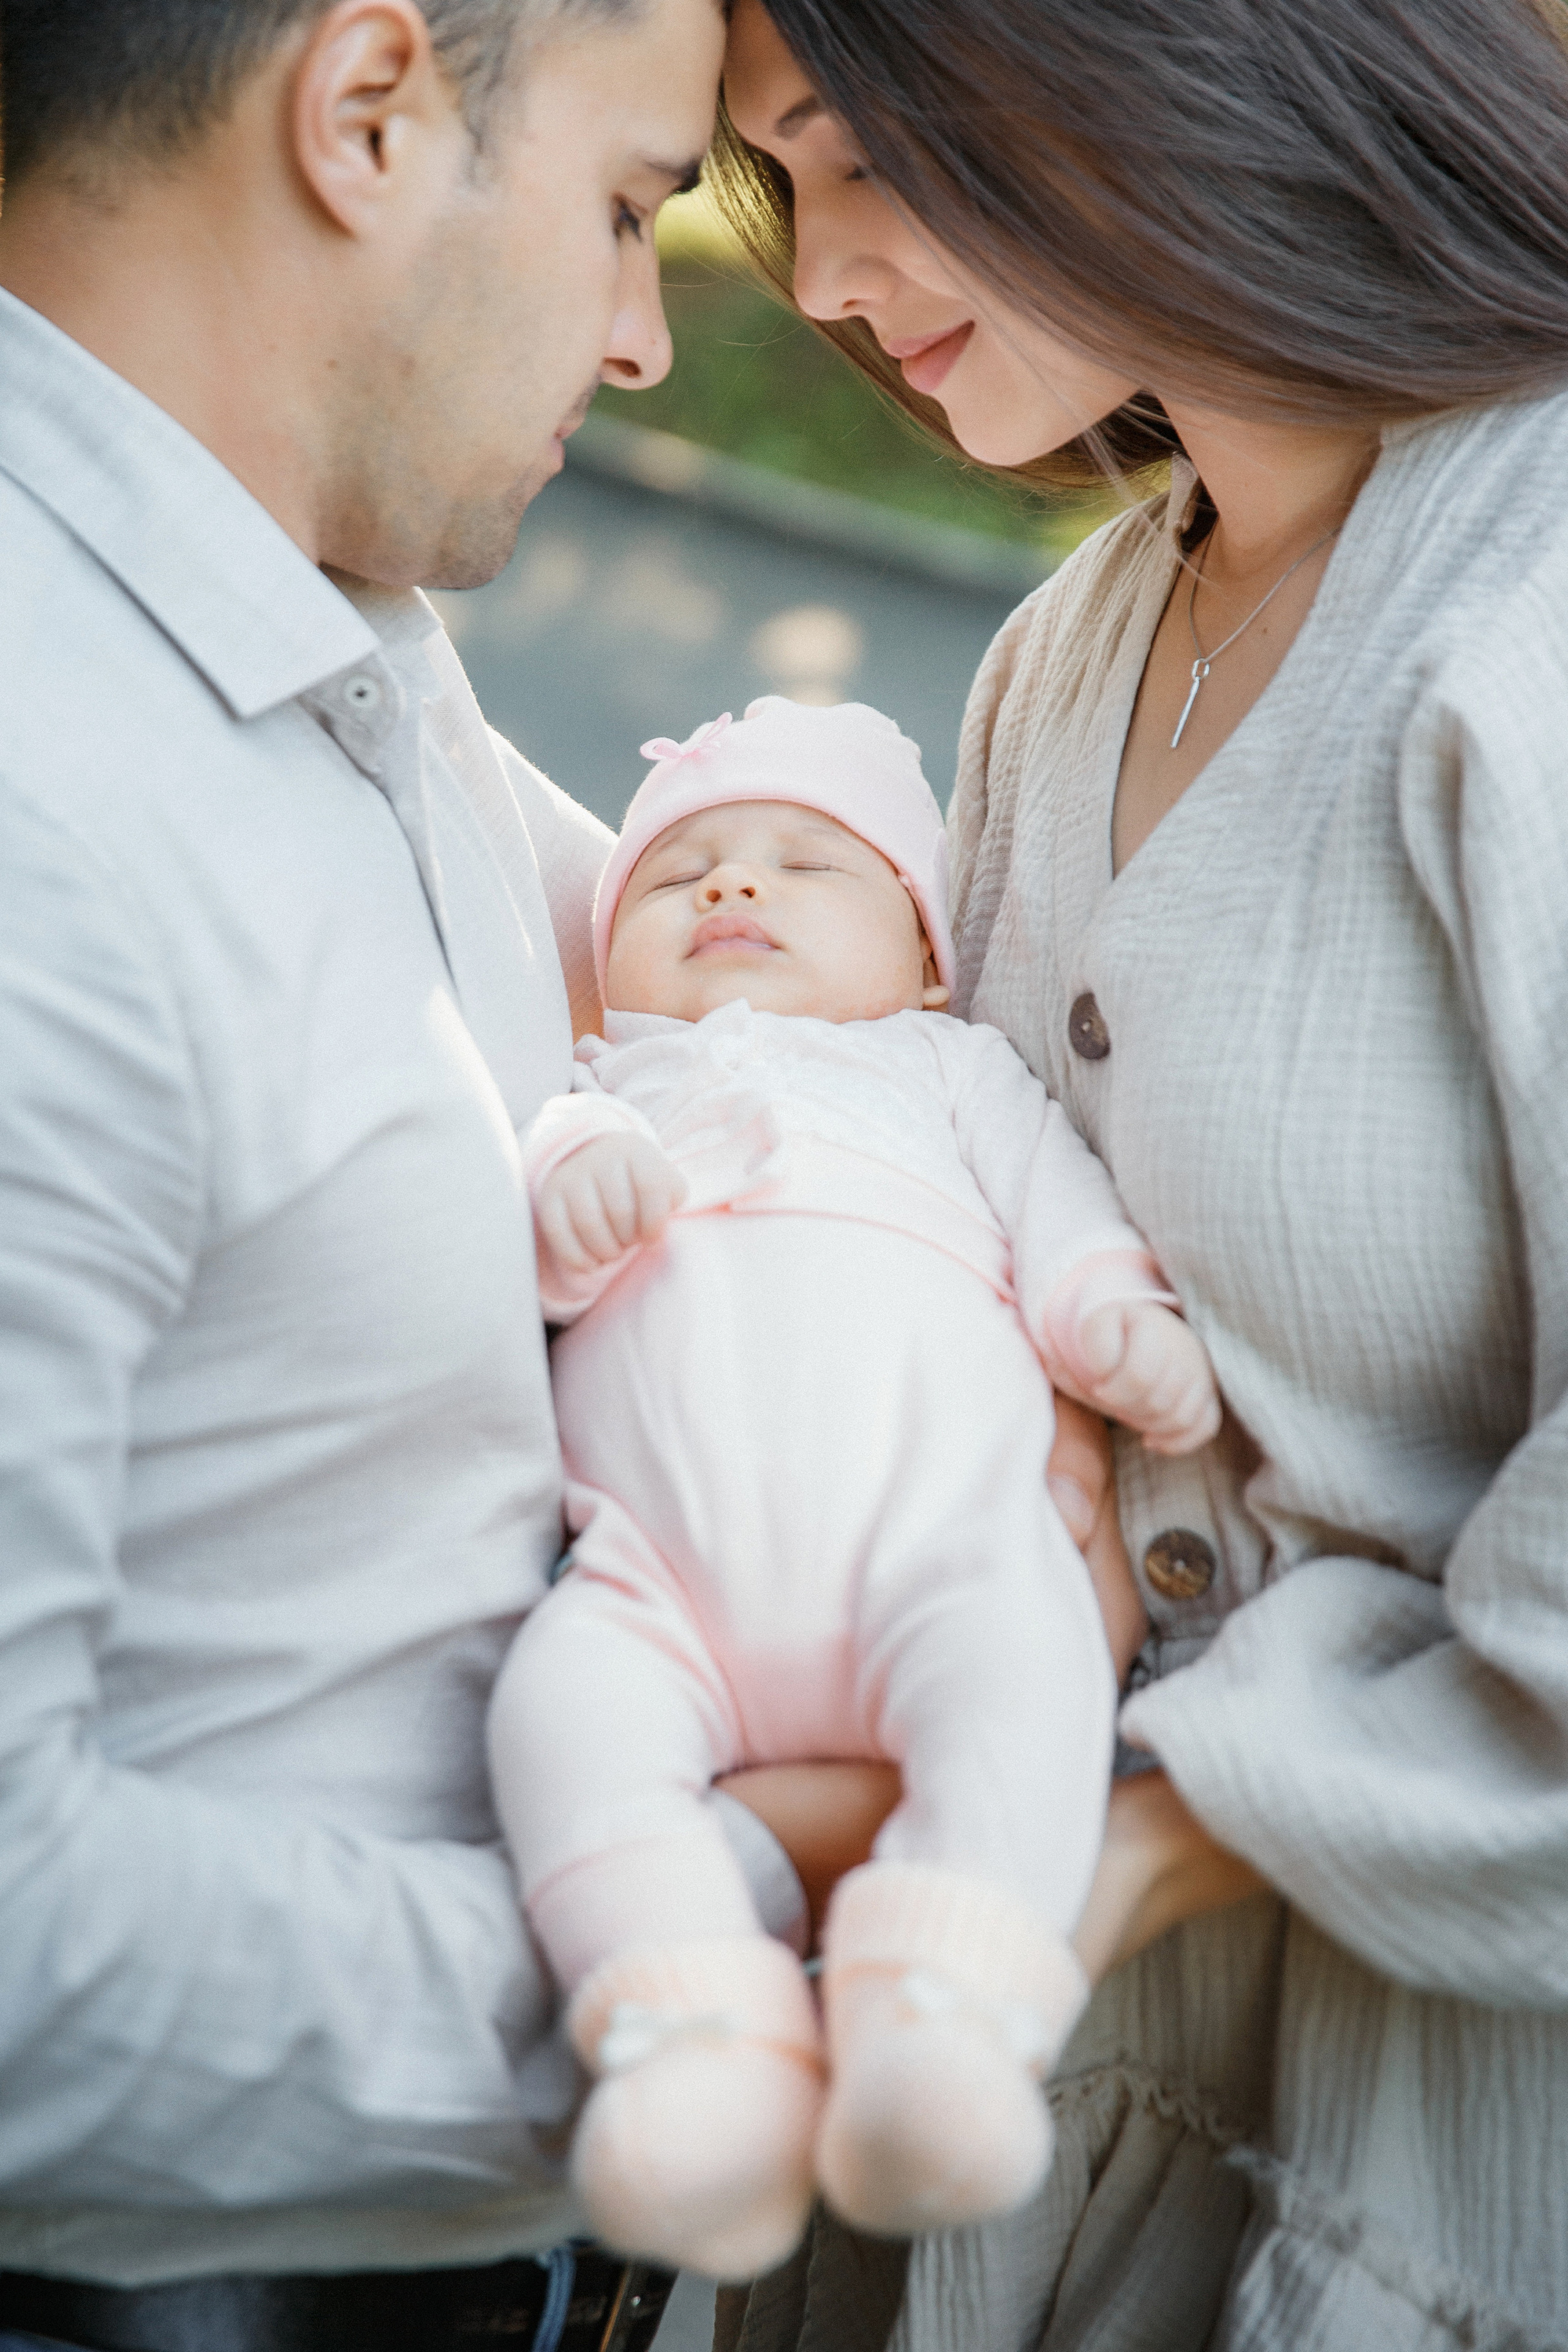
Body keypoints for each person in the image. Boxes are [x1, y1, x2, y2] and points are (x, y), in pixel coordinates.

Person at [704, 0, 1568, 2346]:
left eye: (853, 154)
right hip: (973, 2174)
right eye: (770, 193)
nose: (811, 278)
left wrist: (1147, 1831)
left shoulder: (1535, 599)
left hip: (1430, 2193)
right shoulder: (1053, 665)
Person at [0, 1, 766, 2346]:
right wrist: (738, 1916)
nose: (649, 340)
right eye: (633, 209)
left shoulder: (343, 617)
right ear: (367, 112)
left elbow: (753, 982)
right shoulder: (43, 814)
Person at [488, 695, 1219, 2281]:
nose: (732, 890)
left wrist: (1110, 1317)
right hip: (652, 1594)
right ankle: (687, 2034)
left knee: (1028, 1684)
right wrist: (568, 1198)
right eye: (680, 874)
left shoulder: (951, 1073)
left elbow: (1062, 1212)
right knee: (555, 1724)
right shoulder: (607, 1081)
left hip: (937, 1549)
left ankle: (944, 2013)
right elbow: (525, 1241)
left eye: (805, 861)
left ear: (930, 952)